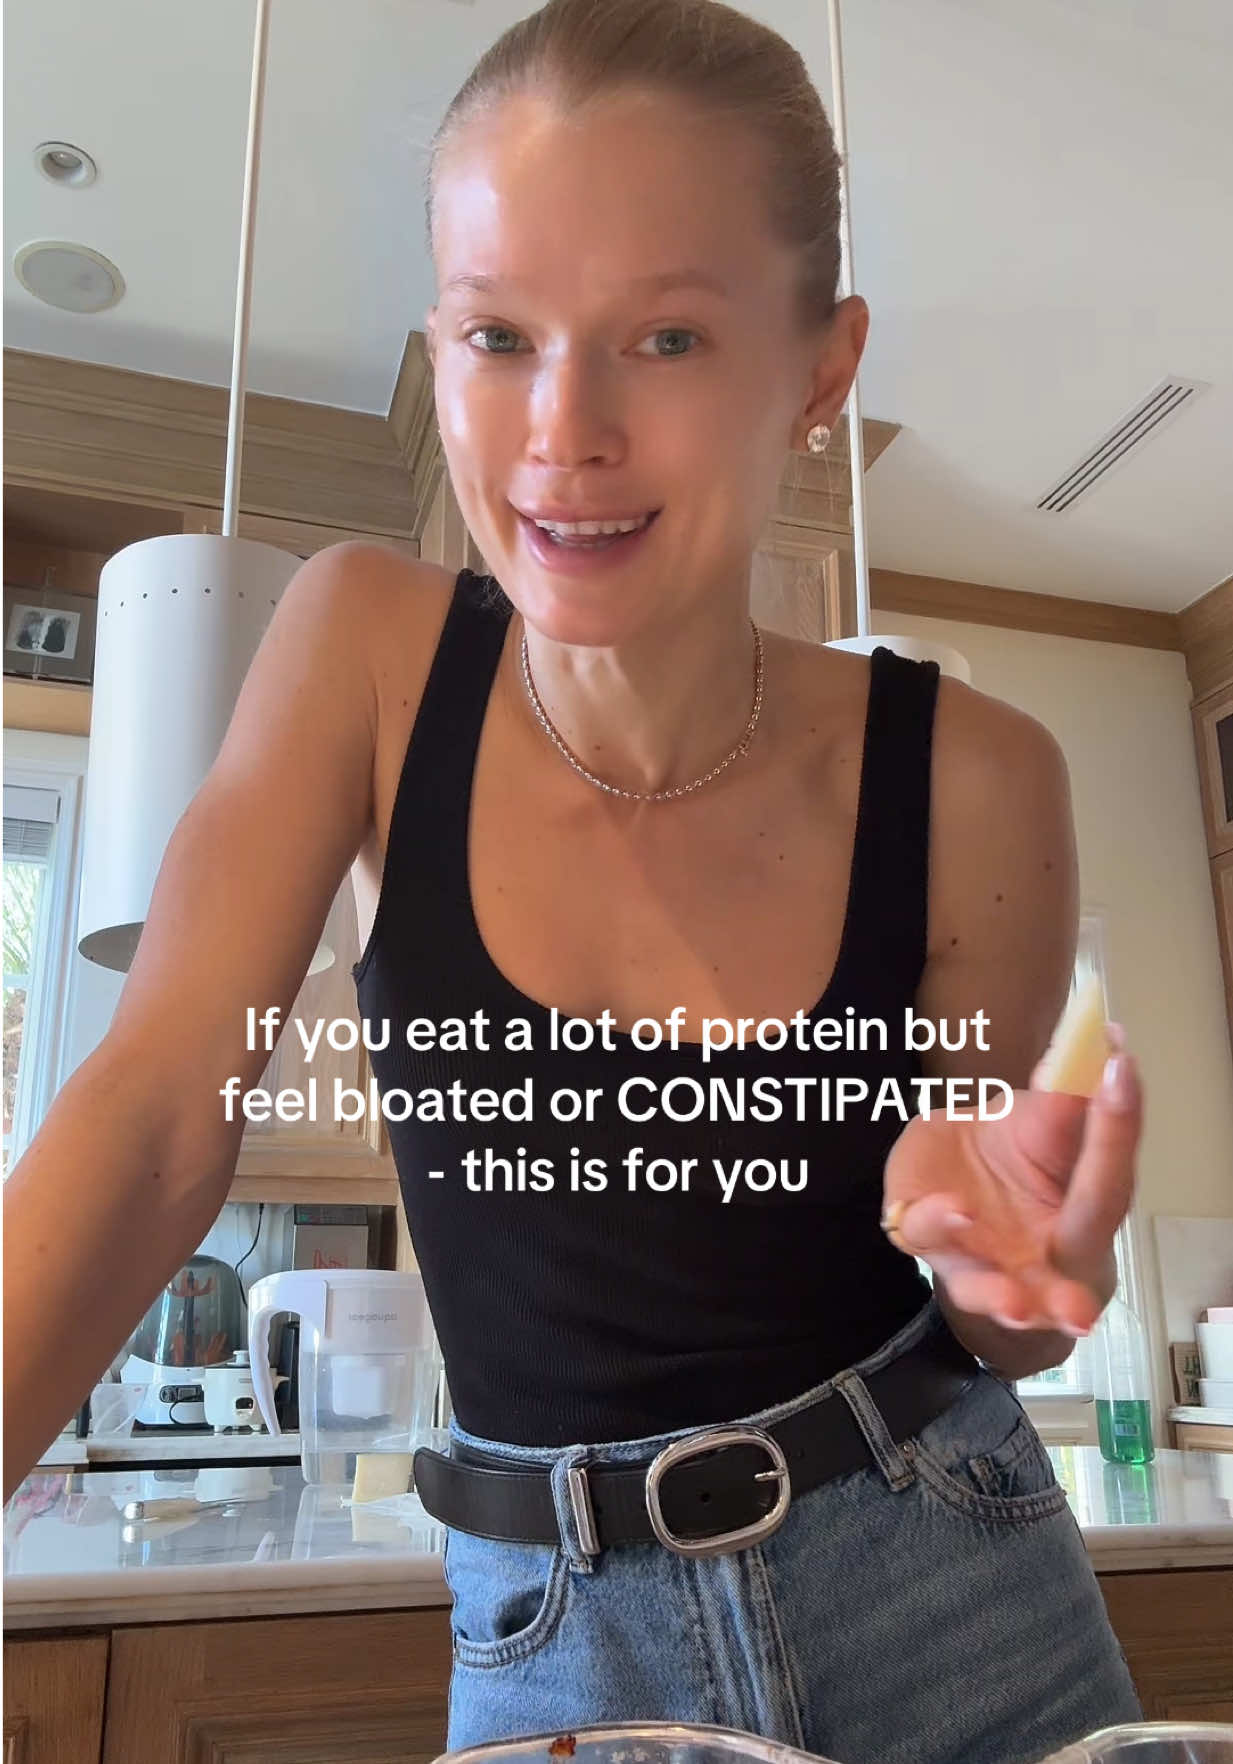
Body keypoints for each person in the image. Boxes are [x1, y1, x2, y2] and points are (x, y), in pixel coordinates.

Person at [3, 1, 1145, 1759]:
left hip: (952, 1583)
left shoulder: (979, 777)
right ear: (438, 346)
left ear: (819, 369)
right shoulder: (364, 650)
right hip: (556, 1634)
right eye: (497, 335)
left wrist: (1014, 1285)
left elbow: (1004, 1334)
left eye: (666, 337)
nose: (562, 431)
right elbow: (158, 1115)